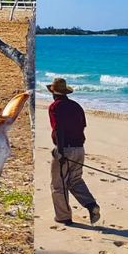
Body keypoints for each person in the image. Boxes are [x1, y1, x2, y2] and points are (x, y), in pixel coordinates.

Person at [47, 78, 101, 225]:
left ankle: (63, 216)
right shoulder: (76, 106)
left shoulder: (54, 107)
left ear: (54, 93)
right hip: (79, 149)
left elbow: (58, 129)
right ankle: (91, 205)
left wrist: (61, 150)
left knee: (58, 185)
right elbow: (82, 126)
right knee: (75, 180)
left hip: (65, 148)